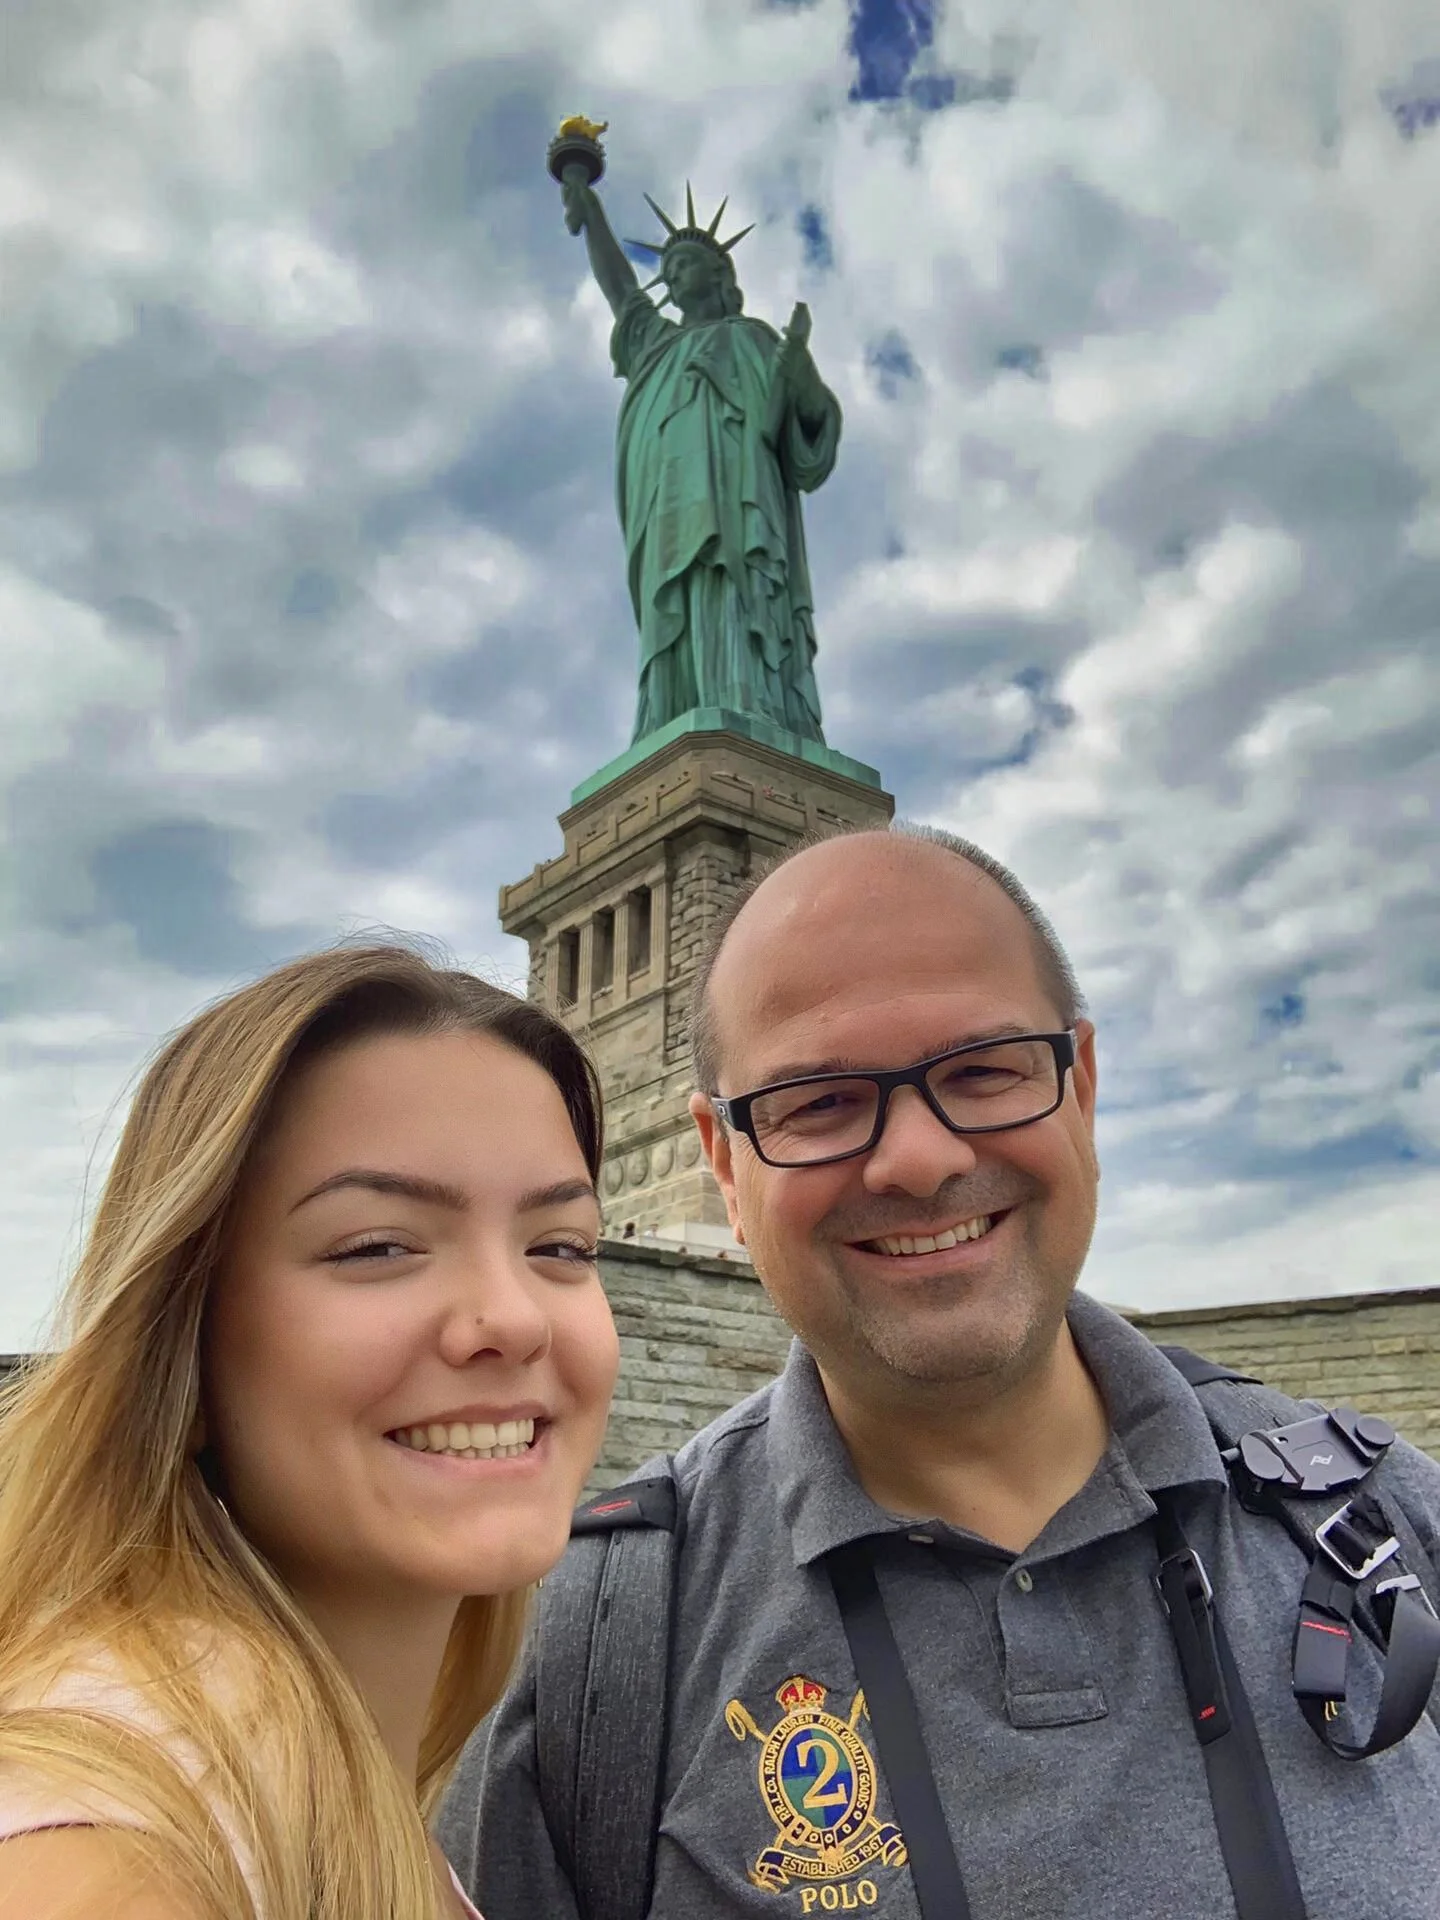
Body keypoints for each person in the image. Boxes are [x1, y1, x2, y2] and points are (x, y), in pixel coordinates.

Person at [441, 824, 1440, 1919]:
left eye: (982, 1071)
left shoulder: (1388, 1524)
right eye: (818, 1101)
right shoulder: (594, 1654)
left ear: (1083, 1085)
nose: (921, 1159)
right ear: (723, 1160)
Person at [0, 944, 619, 1920]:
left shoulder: (328, 1786)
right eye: (377, 1247)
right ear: (182, 1351)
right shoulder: (116, 1849)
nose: (515, 1318)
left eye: (560, 1247)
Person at [560, 170, 840, 744]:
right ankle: (672, 712)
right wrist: (590, 211)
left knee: (731, 587)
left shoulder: (754, 339)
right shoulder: (654, 346)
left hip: (740, 498)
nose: (671, 274)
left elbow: (808, 430)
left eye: (684, 263)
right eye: (666, 269)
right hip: (666, 508)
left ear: (720, 272)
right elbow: (620, 289)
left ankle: (748, 702)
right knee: (679, 600)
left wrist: (798, 372)